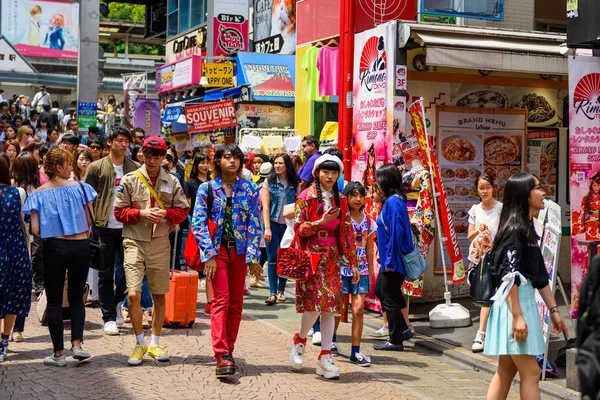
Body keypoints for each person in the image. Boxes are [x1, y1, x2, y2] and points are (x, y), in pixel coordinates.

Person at [484, 173, 568, 399]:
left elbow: (539, 275)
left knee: (506, 371)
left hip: (518, 305)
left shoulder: (527, 228)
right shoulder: (515, 230)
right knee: (531, 372)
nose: (544, 193)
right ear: (524, 194)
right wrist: (518, 316)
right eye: (538, 188)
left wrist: (554, 310)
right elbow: (510, 276)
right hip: (515, 306)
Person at [114, 136, 188, 366]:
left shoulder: (172, 181)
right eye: (148, 155)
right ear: (142, 155)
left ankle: (155, 341)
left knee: (158, 294)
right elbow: (119, 213)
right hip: (134, 240)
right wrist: (142, 214)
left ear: (164, 156)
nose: (153, 159)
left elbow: (183, 211)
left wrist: (166, 214)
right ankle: (139, 341)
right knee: (133, 294)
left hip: (159, 242)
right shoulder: (130, 180)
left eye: (157, 155)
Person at [192, 144, 262, 376]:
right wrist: (209, 255)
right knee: (220, 301)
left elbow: (255, 222)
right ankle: (221, 353)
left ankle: (228, 350)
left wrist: (253, 256)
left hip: (240, 253)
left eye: (236, 158)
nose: (232, 161)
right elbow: (198, 223)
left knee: (236, 305)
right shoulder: (206, 188)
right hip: (217, 251)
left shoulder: (250, 188)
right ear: (218, 161)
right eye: (227, 157)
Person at [23, 148, 97, 366]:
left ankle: (58, 354)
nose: (72, 168)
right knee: (76, 297)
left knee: (54, 300)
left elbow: (35, 229)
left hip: (55, 247)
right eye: (69, 164)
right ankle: (77, 345)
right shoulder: (82, 188)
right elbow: (91, 221)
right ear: (59, 167)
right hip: (81, 247)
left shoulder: (37, 194)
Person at [288, 154, 358, 379]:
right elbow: (300, 229)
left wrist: (354, 263)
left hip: (332, 259)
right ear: (317, 173)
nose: (330, 176)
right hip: (312, 258)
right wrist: (321, 222)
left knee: (330, 308)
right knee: (314, 306)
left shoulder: (342, 200)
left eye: (334, 172)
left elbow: (347, 232)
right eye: (326, 172)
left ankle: (325, 356)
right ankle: (299, 340)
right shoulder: (305, 197)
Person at [84, 126, 138, 336]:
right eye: (119, 140)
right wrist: (90, 223)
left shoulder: (134, 167)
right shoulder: (96, 168)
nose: (123, 144)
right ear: (110, 142)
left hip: (128, 226)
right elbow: (86, 198)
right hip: (103, 227)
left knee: (130, 270)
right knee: (106, 273)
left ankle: (115, 302)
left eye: (126, 141)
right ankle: (108, 317)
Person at [372, 164, 413, 352]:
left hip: (393, 260)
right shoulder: (391, 201)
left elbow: (396, 232)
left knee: (388, 296)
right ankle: (403, 330)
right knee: (382, 291)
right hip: (389, 258)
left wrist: (389, 259)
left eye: (378, 179)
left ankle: (396, 339)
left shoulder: (393, 203)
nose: (376, 184)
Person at [0, 157, 32, 360]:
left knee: (9, 295)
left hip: (12, 249)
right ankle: (4, 339)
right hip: (15, 250)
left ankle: (2, 342)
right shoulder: (17, 193)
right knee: (13, 296)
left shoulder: (18, 192)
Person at [341, 181, 375, 366]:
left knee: (358, 308)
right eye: (354, 195)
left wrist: (369, 269)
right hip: (342, 267)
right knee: (339, 309)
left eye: (361, 195)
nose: (358, 199)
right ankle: (330, 343)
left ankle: (356, 351)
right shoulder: (341, 218)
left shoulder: (369, 221)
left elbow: (369, 246)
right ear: (346, 197)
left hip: (361, 269)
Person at [467, 173, 503, 353]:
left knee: (498, 296)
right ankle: (481, 334)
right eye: (481, 187)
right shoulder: (475, 210)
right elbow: (469, 235)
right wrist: (479, 232)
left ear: (493, 188)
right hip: (480, 259)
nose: (485, 191)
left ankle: (488, 334)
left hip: (499, 257)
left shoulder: (501, 209)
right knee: (486, 296)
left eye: (488, 187)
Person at [261, 153, 300, 305]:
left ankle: (281, 291)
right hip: (272, 223)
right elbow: (265, 207)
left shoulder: (295, 183)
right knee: (272, 259)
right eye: (275, 163)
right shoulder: (269, 182)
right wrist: (267, 228)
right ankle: (272, 293)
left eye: (280, 163)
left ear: (287, 165)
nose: (277, 166)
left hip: (289, 226)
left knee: (285, 258)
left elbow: (299, 204)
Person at [10, 151, 41, 341]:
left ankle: (12, 328)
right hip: (30, 240)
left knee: (10, 284)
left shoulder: (9, 189)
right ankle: (18, 329)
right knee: (22, 285)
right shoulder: (38, 189)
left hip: (13, 241)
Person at [183, 153, 211, 313]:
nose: (205, 165)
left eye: (207, 162)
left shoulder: (212, 183)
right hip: (196, 223)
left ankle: (209, 297)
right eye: (202, 163)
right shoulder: (190, 183)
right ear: (196, 165)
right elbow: (187, 204)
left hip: (212, 224)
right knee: (194, 253)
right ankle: (198, 277)